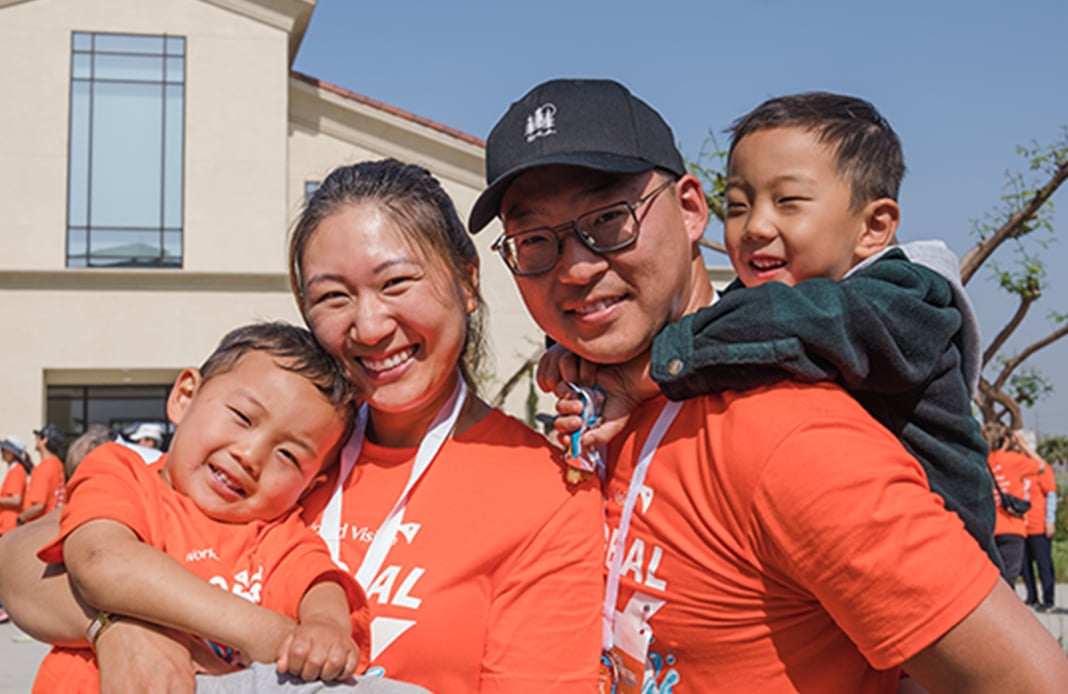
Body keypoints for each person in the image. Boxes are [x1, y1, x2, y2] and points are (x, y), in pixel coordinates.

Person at [467, 77, 1068, 692]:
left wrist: (645, 370)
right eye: (536, 240)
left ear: (689, 209)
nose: (577, 267)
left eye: (610, 218)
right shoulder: (617, 404)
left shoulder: (792, 425)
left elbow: (1028, 682)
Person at [0, 159, 604, 694]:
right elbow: (28, 561)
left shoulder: (547, 491)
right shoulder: (281, 444)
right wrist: (118, 627)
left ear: (467, 281)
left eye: (396, 283)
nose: (369, 327)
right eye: (333, 297)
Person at [546, 91, 998, 567]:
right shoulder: (752, 305)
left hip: (948, 572)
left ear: (874, 226)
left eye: (788, 202)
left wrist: (646, 371)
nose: (755, 227)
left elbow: (806, 322)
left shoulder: (904, 298)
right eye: (739, 206)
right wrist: (593, 362)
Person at [31, 321, 391, 693]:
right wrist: (258, 631)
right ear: (185, 396)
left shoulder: (275, 534)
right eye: (242, 418)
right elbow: (102, 560)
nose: (250, 455)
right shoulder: (122, 474)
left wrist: (325, 626)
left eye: (288, 455)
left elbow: (319, 581)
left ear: (309, 486)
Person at [988, 429, 1045, 585]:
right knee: (1009, 579)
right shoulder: (1014, 459)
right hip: (1012, 526)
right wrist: (1022, 444)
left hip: (989, 526)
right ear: (1006, 440)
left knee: (993, 580)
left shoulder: (983, 460)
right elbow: (1041, 466)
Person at [1020, 443, 1057, 612]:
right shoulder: (1019, 469)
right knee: (1025, 565)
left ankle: (1048, 599)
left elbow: (1050, 494)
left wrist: (1050, 520)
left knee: (1043, 564)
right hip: (1021, 526)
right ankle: (1032, 596)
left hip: (1038, 525)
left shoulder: (1042, 469)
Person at [17, 423, 67, 526]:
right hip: (52, 525)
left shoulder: (43, 469)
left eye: (38, 437)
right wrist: (31, 468)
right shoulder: (58, 464)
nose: (36, 439)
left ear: (45, 440)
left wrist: (20, 518)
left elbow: (39, 505)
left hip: (36, 528)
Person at [1, 434, 32, 534]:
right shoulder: (14, 470)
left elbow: (16, 500)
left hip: (10, 525)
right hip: (6, 523)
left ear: (13, 453)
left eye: (5, 450)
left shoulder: (17, 471)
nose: (2, 452)